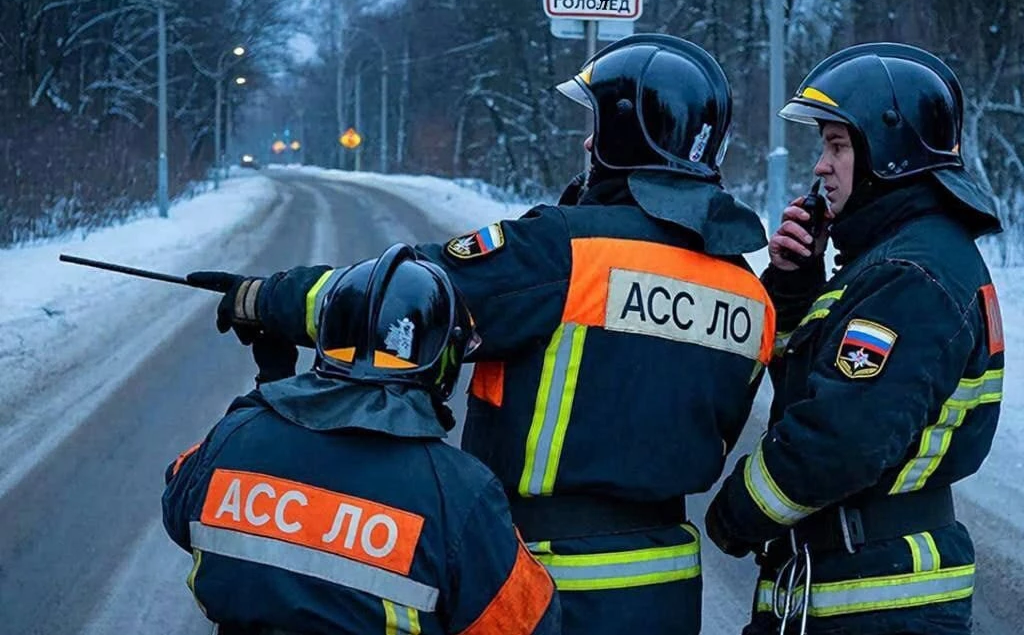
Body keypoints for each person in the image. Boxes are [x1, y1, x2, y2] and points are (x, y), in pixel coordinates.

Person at [199, 34, 776, 635]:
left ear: (627, 137)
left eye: (596, 125)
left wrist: (266, 298)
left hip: (539, 578)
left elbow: (399, 295)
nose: (586, 141)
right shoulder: (750, 297)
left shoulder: (564, 251)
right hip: (667, 587)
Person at [704, 43, 1005, 635]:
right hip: (856, 586)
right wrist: (795, 288)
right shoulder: (894, 260)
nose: (820, 166)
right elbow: (812, 381)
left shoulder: (909, 277)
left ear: (887, 154)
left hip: (873, 601)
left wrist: (735, 513)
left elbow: (836, 443)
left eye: (837, 146)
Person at [163, 244, 561, 635]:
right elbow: (528, 622)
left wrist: (269, 395)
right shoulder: (460, 493)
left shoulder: (234, 438)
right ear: (444, 359)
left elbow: (181, 500)